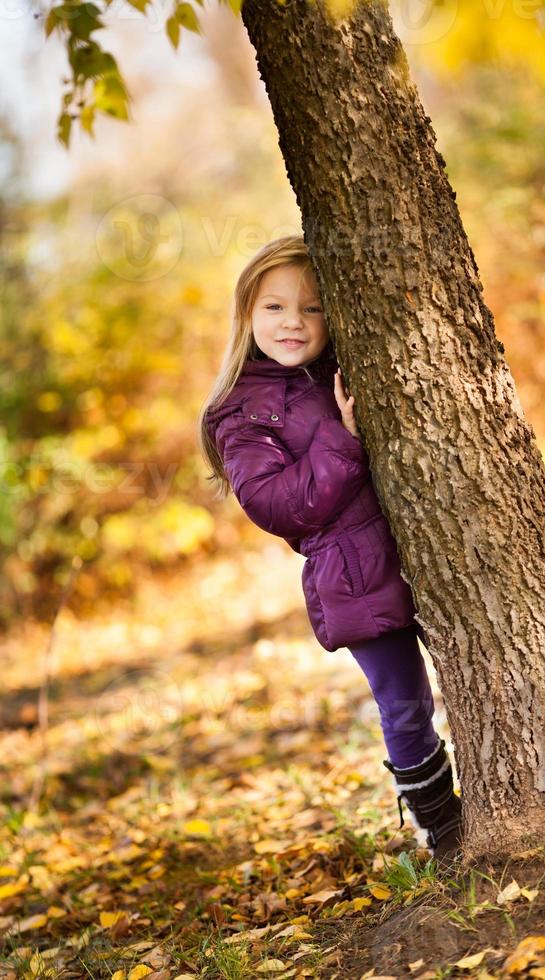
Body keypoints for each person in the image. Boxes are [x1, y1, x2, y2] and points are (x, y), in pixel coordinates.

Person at [198, 235, 462, 859]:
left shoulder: (343, 364)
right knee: (405, 700)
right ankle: (440, 826)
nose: (294, 322)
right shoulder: (242, 410)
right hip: (354, 574)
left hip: (416, 552)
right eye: (275, 308)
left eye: (312, 309)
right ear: (247, 315)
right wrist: (342, 439)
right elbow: (276, 503)